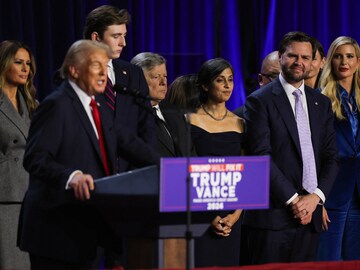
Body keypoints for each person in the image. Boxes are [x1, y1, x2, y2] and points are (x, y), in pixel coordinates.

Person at [17, 40, 158, 269]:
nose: (105, 73)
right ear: (74, 70)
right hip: (55, 231)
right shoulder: (56, 105)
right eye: (96, 66)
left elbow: (130, 143)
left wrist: (172, 168)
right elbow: (35, 157)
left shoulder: (98, 104)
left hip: (87, 228)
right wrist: (72, 177)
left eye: (106, 66)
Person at [242, 31, 339, 264]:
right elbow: (261, 157)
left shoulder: (321, 103)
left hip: (311, 218)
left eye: (305, 57)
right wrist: (295, 200)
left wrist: (315, 198)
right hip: (273, 220)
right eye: (293, 56)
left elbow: (331, 158)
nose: (299, 62)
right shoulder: (260, 101)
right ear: (281, 56)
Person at [131, 52, 196, 268]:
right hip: (148, 206)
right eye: (155, 77)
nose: (163, 82)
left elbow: (189, 155)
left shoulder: (173, 112)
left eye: (165, 76)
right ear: (139, 80)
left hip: (181, 206)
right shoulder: (130, 116)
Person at [84, 5, 156, 173]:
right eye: (116, 36)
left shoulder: (133, 73)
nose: (123, 43)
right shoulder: (77, 75)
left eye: (124, 36)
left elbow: (146, 125)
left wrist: (146, 166)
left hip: (132, 171)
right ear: (96, 37)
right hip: (91, 174)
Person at [189, 57, 245, 267]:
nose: (228, 85)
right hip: (198, 211)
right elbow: (187, 173)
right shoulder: (189, 120)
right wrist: (210, 216)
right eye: (220, 80)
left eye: (230, 79)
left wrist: (236, 215)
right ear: (205, 85)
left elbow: (245, 173)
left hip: (232, 214)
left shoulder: (240, 123)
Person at [316, 36, 360, 261]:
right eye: (338, 56)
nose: (344, 62)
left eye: (350, 56)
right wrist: (318, 200)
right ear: (329, 61)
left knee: (355, 259)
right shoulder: (320, 100)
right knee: (329, 260)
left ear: (358, 62)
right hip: (332, 193)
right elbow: (314, 154)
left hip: (358, 193)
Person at [0, 40, 37, 270]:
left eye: (28, 64)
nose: (26, 69)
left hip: (32, 192)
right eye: (19, 63)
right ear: (4, 64)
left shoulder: (32, 103)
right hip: (6, 193)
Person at [233, 51, 280, 117]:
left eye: (287, 78)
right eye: (275, 77)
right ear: (260, 79)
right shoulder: (239, 117)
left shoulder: (296, 113)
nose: (282, 83)